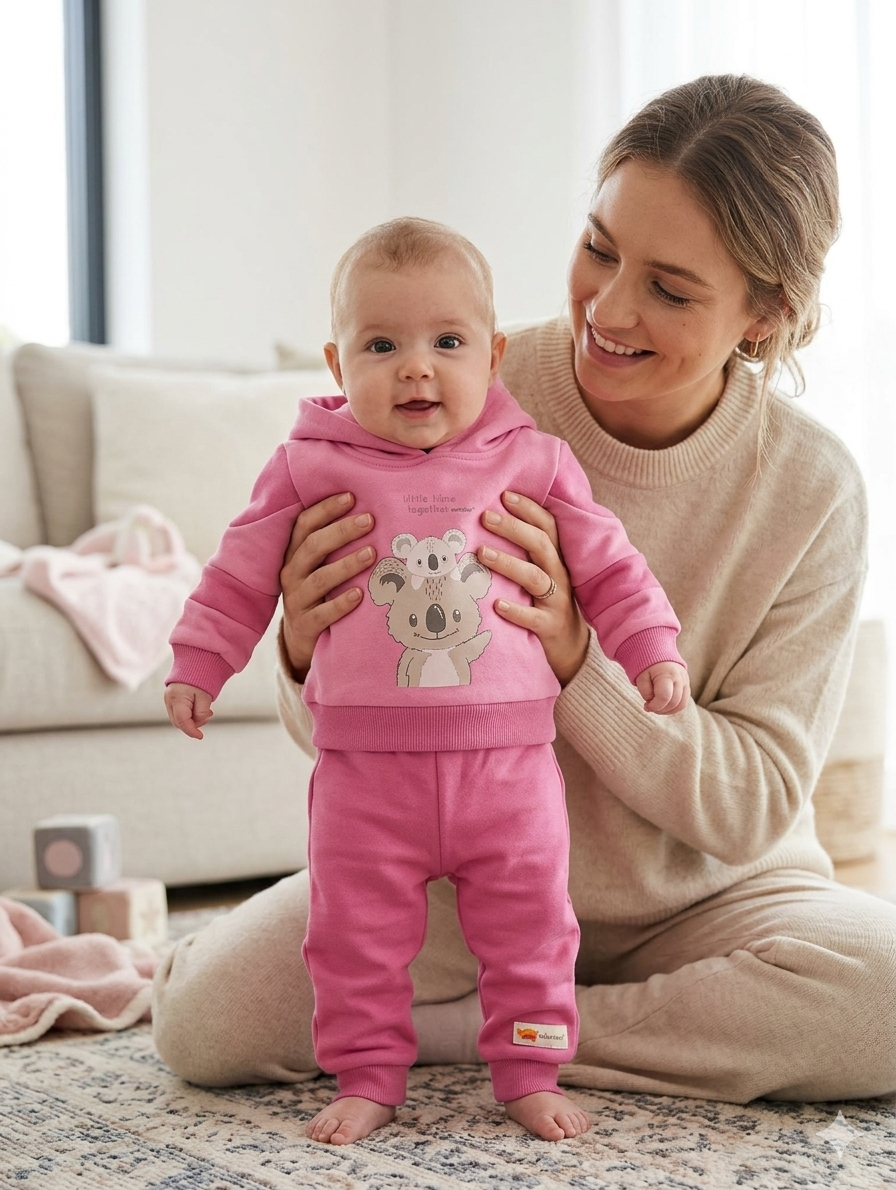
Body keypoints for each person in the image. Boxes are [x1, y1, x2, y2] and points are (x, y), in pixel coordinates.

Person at [153, 73, 896, 1142]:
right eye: (598, 246)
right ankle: (491, 1008)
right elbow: (351, 715)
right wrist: (303, 647)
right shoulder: (449, 381)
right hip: (451, 877)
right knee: (201, 1021)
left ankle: (490, 1031)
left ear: (763, 313)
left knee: (879, 1002)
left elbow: (749, 806)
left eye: (671, 289)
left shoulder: (808, 489)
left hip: (704, 903)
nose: (608, 307)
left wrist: (575, 660)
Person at [162, 216, 690, 1144]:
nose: (416, 367)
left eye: (446, 343)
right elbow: (239, 575)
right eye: (382, 345)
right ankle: (368, 1072)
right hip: (367, 777)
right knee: (352, 937)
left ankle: (528, 1066)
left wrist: (652, 650)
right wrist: (201, 663)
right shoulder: (304, 467)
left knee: (532, 931)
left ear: (491, 357)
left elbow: (612, 567)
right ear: (337, 364)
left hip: (512, 770)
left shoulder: (535, 459)